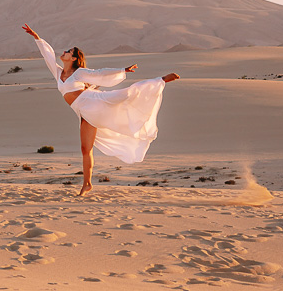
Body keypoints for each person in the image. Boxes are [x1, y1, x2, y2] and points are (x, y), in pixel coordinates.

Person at [22, 24, 179, 196]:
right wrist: (36, 37)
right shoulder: (58, 73)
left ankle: (160, 81)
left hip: (93, 103)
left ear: (74, 58)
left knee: (123, 96)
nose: (64, 52)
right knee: (85, 149)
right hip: (83, 113)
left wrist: (122, 70)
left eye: (69, 51)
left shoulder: (79, 73)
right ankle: (87, 184)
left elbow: (99, 73)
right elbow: (48, 56)